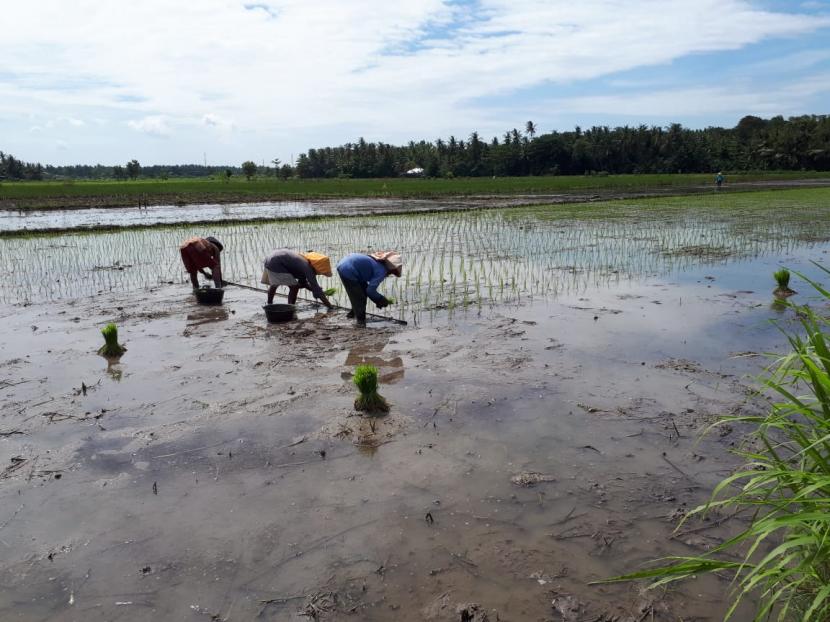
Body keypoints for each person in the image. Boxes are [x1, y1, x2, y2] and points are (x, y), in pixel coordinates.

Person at [336, 251, 402, 326]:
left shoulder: (377, 262)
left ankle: (353, 313)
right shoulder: (381, 271)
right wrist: (380, 299)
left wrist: (377, 300)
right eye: (393, 272)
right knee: (359, 297)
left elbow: (367, 290)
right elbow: (370, 291)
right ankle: (360, 322)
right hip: (348, 270)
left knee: (361, 293)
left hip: (345, 264)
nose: (390, 274)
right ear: (391, 269)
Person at [261, 249, 334, 308]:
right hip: (276, 262)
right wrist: (330, 306)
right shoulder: (307, 268)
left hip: (270, 259)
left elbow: (303, 283)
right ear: (317, 267)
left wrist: (318, 291)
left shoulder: (302, 260)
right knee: (294, 287)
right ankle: (290, 308)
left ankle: (269, 304)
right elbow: (314, 286)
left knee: (275, 284)